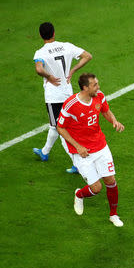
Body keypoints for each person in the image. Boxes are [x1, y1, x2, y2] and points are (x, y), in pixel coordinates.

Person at [57, 73, 125, 227]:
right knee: (96, 188)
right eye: (94, 85)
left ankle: (113, 215)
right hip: (83, 151)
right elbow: (60, 127)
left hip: (100, 146)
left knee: (111, 180)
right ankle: (79, 194)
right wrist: (77, 146)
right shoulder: (71, 104)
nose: (98, 87)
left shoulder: (99, 96)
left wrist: (114, 121)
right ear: (85, 88)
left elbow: (106, 111)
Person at [33, 22, 92, 173]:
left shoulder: (41, 52)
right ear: (54, 33)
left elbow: (39, 69)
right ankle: (45, 152)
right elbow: (87, 56)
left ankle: (77, 162)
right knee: (56, 126)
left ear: (41, 35)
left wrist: (49, 76)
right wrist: (73, 70)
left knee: (61, 128)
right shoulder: (66, 46)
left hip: (53, 96)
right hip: (67, 93)